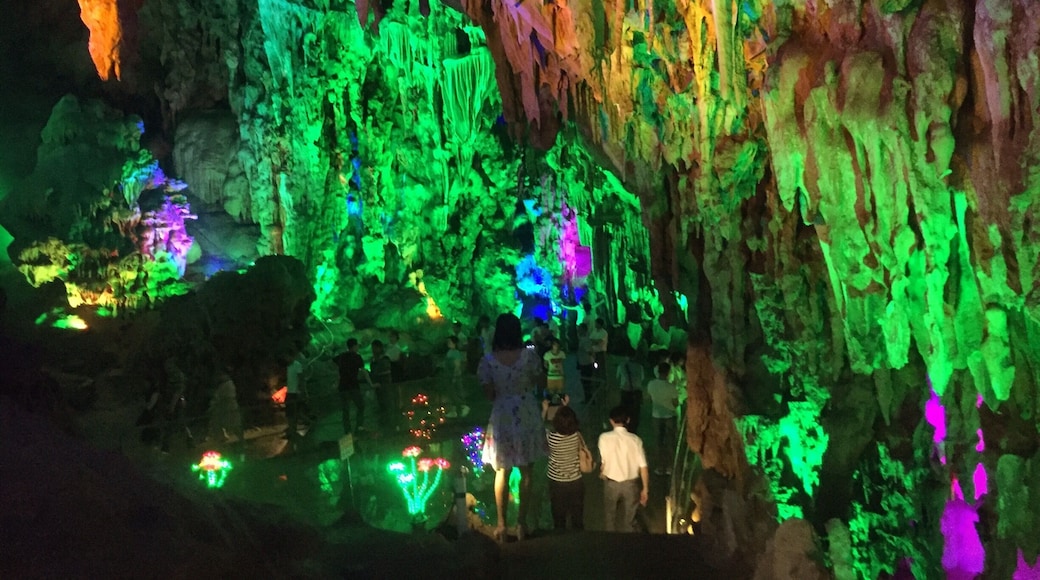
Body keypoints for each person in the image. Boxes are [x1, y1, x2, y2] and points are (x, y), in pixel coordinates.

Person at [480, 313, 547, 542]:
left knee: (502, 470)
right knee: (527, 471)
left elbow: (489, 394)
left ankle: (500, 524)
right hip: (526, 411)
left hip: (503, 416)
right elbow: (541, 382)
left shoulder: (488, 360)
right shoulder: (529, 356)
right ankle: (521, 523)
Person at [598, 406, 649, 532]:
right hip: (631, 485)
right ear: (628, 420)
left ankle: (610, 544)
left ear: (611, 421)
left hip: (611, 483)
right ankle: (627, 546)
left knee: (610, 517)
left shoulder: (604, 438)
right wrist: (645, 489)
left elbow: (604, 462)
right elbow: (643, 466)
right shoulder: (636, 440)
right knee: (630, 520)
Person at [544, 400, 585, 531]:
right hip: (575, 481)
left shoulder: (551, 438)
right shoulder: (577, 436)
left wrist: (545, 410)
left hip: (556, 482)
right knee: (577, 518)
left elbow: (539, 428)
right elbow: (568, 421)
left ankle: (560, 543)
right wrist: (565, 406)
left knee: (559, 518)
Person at [647, 362, 679, 475]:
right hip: (670, 416)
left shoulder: (651, 384)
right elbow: (676, 403)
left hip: (656, 415)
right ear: (668, 372)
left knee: (658, 442)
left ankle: (660, 466)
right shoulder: (671, 387)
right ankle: (671, 466)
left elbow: (649, 398)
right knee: (670, 441)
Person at [335, 338, 372, 434]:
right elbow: (364, 371)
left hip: (342, 386)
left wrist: (337, 378)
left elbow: (333, 363)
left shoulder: (341, 356)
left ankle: (347, 430)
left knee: (345, 409)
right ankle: (359, 427)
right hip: (353, 385)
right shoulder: (357, 357)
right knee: (360, 406)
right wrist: (370, 383)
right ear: (354, 346)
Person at [615, 350, 645, 434]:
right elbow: (641, 379)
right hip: (636, 392)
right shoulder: (640, 366)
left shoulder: (622, 365)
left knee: (624, 411)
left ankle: (625, 428)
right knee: (635, 412)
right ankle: (633, 430)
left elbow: (617, 377)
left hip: (625, 391)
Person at [369, 340, 395, 427]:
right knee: (380, 406)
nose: (373, 350)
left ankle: (389, 425)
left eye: (375, 348)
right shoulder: (373, 360)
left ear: (379, 348)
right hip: (378, 388)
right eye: (372, 348)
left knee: (387, 406)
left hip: (385, 387)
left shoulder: (384, 359)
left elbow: (386, 371)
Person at [442, 335, 468, 418]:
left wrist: (454, 376)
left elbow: (457, 365)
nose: (448, 343)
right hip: (449, 375)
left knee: (457, 392)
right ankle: (454, 410)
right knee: (451, 393)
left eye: (450, 342)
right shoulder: (449, 352)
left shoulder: (456, 353)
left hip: (455, 376)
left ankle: (463, 408)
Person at [543, 337, 566, 405]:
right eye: (554, 345)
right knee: (551, 393)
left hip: (560, 376)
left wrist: (562, 372)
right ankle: (552, 407)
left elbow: (562, 364)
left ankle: (560, 407)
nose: (556, 346)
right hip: (551, 376)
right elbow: (545, 364)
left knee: (560, 393)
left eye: (557, 345)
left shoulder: (562, 354)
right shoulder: (547, 354)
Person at [576, 323, 595, 403]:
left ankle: (589, 398)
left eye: (580, 329)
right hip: (584, 363)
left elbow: (589, 351)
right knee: (586, 382)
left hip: (586, 364)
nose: (578, 330)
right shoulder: (582, 339)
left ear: (583, 330)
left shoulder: (585, 340)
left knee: (586, 382)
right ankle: (588, 398)